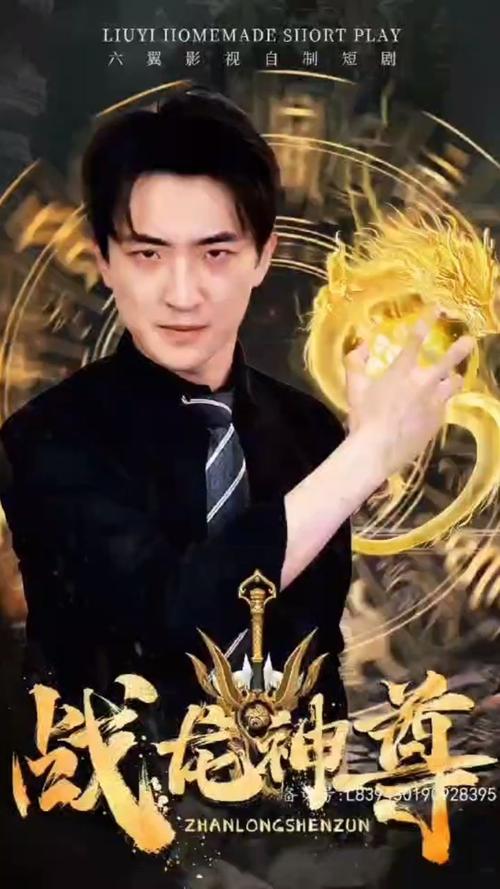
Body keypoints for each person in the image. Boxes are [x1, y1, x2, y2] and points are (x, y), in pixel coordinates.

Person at [0, 87, 473, 729]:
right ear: (104, 260)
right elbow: (168, 619)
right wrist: (366, 456)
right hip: (114, 785)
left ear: (264, 257)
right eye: (148, 254)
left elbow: (317, 667)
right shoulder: (44, 439)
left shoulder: (309, 432)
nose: (183, 293)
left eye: (216, 253)